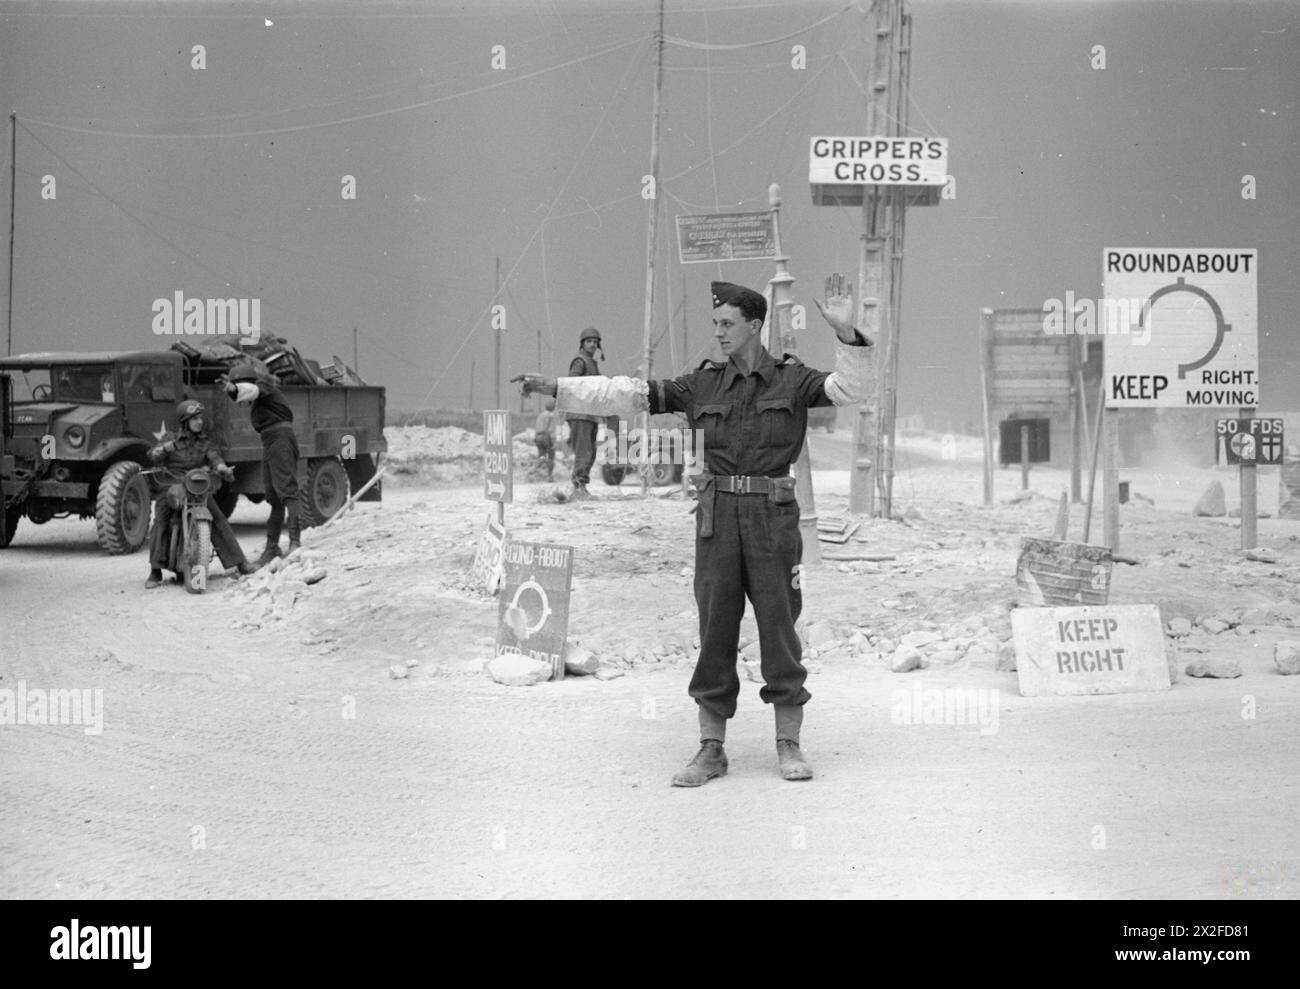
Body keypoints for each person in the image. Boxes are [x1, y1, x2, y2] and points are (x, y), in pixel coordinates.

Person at [514, 278, 871, 786]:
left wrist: (847, 333)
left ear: (754, 324)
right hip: (717, 519)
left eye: (728, 324)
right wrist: (558, 386)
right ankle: (711, 749)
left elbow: (852, 390)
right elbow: (627, 394)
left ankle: (789, 743)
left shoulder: (792, 381)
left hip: (773, 518)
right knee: (715, 630)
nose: (719, 333)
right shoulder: (700, 385)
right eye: (715, 324)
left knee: (779, 628)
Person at [146, 399, 259, 588]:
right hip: (172, 485)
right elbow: (152, 455)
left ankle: (241, 563)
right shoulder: (170, 438)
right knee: (161, 520)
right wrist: (166, 448)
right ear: (185, 421)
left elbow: (215, 457)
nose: (200, 422)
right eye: (194, 418)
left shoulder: (204, 442)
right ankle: (155, 571)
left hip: (196, 485)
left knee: (219, 518)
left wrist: (221, 468)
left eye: (200, 418)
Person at [220, 361, 304, 566]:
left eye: (239, 387)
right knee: (274, 497)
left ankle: (295, 543)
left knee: (288, 491)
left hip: (280, 439)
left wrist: (234, 388)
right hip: (270, 442)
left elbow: (251, 390)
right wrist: (234, 390)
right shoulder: (260, 399)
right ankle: (271, 548)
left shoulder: (265, 388)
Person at [566, 327, 605, 498]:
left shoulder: (592, 362)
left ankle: (582, 486)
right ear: (582, 343)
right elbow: (573, 383)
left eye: (595, 342)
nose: (592, 345)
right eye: (589, 341)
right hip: (579, 413)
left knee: (591, 452)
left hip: (589, 414)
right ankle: (578, 487)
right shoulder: (580, 361)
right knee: (584, 451)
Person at [534, 398, 558, 481]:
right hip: (546, 437)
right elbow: (551, 430)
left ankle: (534, 472)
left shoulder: (540, 415)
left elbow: (536, 426)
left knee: (541, 456)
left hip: (538, 436)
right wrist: (553, 442)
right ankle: (549, 476)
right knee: (551, 456)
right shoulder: (551, 415)